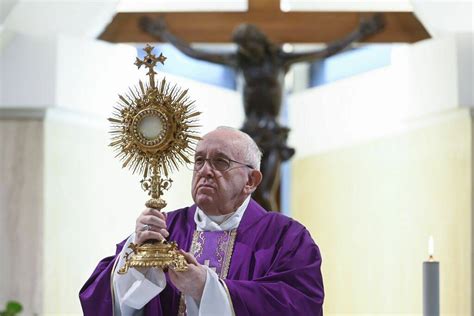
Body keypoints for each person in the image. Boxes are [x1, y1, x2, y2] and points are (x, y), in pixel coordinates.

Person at [140, 15, 384, 211]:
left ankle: (272, 239)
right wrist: (164, 35)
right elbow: (195, 53)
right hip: (249, 135)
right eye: (242, 47)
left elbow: (326, 52)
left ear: (258, 43)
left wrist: (360, 34)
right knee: (245, 192)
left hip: (273, 136)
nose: (246, 50)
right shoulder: (240, 61)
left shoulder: (279, 60)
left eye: (249, 45)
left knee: (264, 192)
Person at [79, 126, 324, 315]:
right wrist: (135, 267)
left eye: (220, 162)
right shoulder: (164, 229)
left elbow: (299, 305)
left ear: (251, 180)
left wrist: (206, 288)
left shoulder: (286, 238)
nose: (205, 170)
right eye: (199, 160)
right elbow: (97, 297)